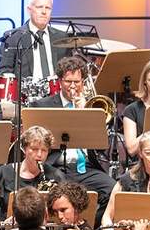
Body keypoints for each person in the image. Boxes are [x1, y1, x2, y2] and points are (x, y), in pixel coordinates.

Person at [35, 55, 117, 212]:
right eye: (68, 82)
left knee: (113, 190)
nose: (73, 86)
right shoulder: (42, 105)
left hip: (85, 167)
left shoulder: (92, 106)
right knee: (69, 195)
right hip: (56, 166)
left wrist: (84, 113)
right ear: (60, 81)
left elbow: (100, 147)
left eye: (77, 82)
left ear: (83, 82)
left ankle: (93, 227)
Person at [0, 125, 62, 214]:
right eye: (34, 149)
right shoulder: (3, 173)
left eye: (44, 150)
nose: (39, 154)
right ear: (24, 148)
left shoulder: (55, 175)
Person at [0, 0, 69, 81]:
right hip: (25, 93)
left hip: (55, 91)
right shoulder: (13, 37)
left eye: (48, 8)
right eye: (39, 7)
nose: (44, 12)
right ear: (29, 10)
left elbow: (68, 70)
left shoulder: (61, 37)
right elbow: (4, 71)